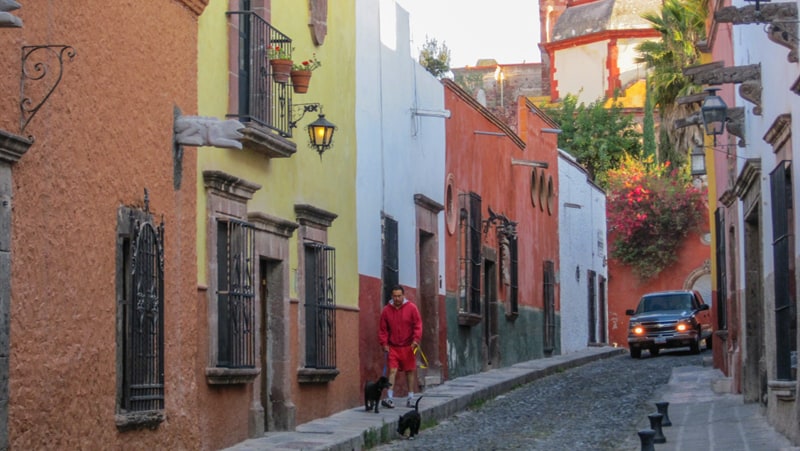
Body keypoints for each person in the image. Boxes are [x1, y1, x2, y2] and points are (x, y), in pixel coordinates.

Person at [378, 284, 422, 408]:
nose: (397, 298)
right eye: (395, 296)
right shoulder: (386, 310)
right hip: (393, 347)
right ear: (392, 296)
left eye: (399, 296)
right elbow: (383, 329)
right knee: (392, 371)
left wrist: (416, 340)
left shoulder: (412, 308)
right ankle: (390, 398)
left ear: (403, 295)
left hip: (408, 347)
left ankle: (411, 397)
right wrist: (384, 343)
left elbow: (418, 325)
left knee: (410, 371)